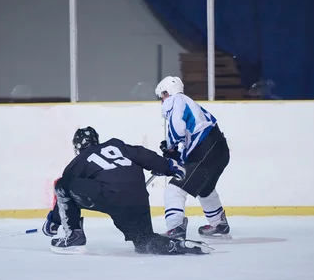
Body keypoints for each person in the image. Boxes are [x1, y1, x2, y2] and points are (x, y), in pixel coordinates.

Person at [41, 126, 212, 255]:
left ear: (77, 146)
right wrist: (169, 167)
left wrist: (54, 221)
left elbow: (65, 195)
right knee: (144, 242)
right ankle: (175, 245)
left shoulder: (77, 163)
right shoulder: (116, 145)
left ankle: (73, 238)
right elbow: (144, 155)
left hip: (112, 196)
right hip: (139, 198)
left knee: (63, 184)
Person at [154, 76, 231, 239]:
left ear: (166, 92)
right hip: (218, 150)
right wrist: (175, 157)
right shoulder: (190, 103)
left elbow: (177, 130)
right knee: (204, 188)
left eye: (162, 96)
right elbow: (191, 140)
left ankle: (175, 228)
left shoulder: (174, 100)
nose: (162, 102)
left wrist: (170, 147)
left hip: (207, 150)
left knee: (174, 189)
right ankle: (219, 223)